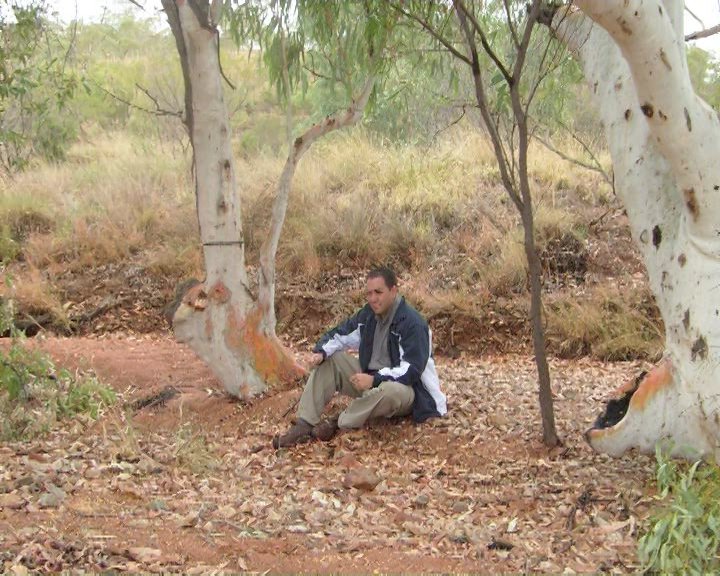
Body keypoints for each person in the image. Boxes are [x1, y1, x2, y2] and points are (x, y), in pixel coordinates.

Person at [273, 266, 447, 449]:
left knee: (391, 391)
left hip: (408, 391)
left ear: (393, 291)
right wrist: (321, 352)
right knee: (331, 359)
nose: (373, 299)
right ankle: (304, 424)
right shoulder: (368, 315)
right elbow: (341, 334)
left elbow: (412, 370)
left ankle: (338, 421)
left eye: (378, 292)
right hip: (370, 382)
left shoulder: (413, 324)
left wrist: (374, 379)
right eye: (369, 293)